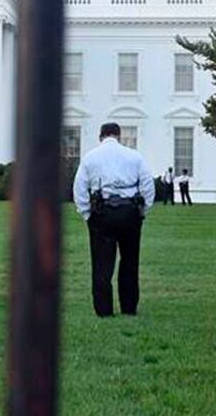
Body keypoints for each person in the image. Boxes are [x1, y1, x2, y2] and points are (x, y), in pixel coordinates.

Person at [73, 123, 156, 317]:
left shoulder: (91, 157)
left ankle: (104, 310)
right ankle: (128, 307)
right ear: (118, 135)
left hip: (102, 212)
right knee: (130, 262)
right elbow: (147, 185)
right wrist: (142, 211)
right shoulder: (134, 156)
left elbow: (79, 188)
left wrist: (87, 214)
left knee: (102, 264)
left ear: (100, 136)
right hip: (129, 212)